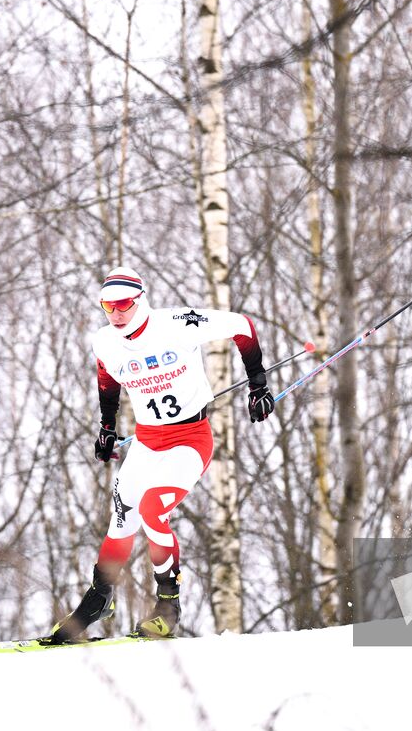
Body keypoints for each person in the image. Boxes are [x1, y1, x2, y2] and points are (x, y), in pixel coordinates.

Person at [44, 266, 275, 643]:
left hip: (190, 439)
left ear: (141, 300)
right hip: (147, 442)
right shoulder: (105, 341)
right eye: (108, 306)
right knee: (122, 519)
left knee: (154, 509)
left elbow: (243, 325)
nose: (116, 313)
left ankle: (168, 607)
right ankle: (100, 598)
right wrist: (107, 426)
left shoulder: (178, 324)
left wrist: (258, 384)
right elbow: (107, 377)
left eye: (124, 304)